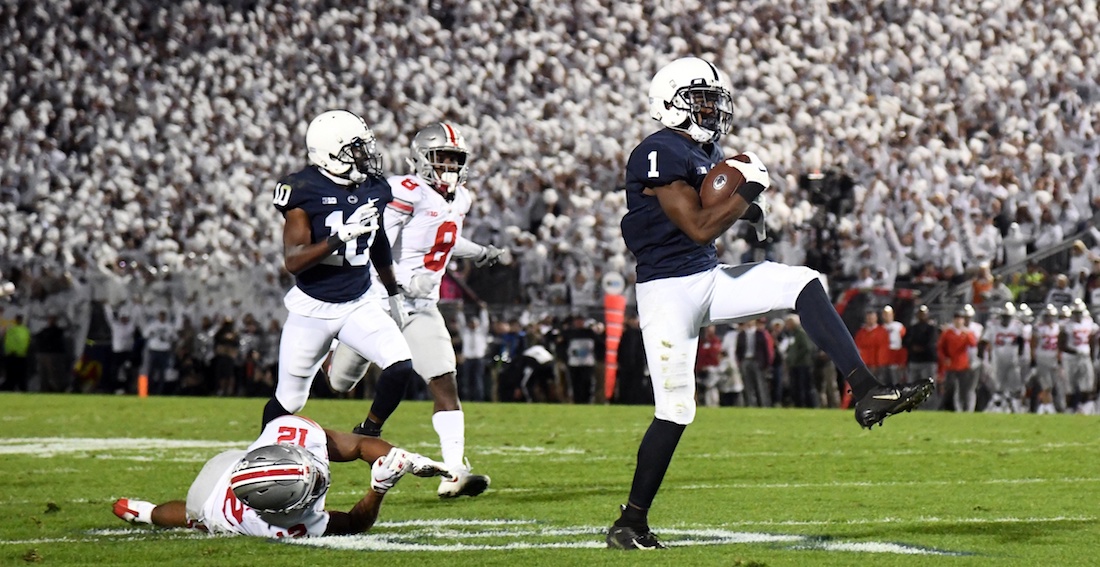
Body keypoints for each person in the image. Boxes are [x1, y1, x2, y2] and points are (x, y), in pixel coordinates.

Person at [607, 56, 932, 550]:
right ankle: (631, 522)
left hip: (706, 277)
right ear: (669, 103)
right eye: (700, 100)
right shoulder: (656, 151)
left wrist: (749, 209)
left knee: (801, 281)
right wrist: (744, 197)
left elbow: (712, 209)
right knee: (676, 410)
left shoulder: (700, 151)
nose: (711, 110)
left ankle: (865, 389)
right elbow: (696, 225)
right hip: (666, 292)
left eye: (714, 101)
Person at [325, 123, 499, 499]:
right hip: (379, 301)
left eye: (455, 159)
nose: (449, 166)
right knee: (339, 383)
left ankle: (454, 470)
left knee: (444, 381)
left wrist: (479, 251)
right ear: (422, 158)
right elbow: (376, 239)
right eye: (442, 158)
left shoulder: (461, 198)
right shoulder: (406, 190)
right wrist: (402, 281)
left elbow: (444, 238)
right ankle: (335, 348)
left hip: (421, 307)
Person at [260, 110, 417, 447]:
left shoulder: (374, 188)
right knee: (289, 401)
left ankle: (368, 431)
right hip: (311, 309)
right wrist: (337, 237)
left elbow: (377, 241)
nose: (364, 155)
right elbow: (294, 260)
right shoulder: (302, 188)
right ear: (330, 153)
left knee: (400, 364)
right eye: (354, 149)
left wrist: (392, 292)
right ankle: (259, 457)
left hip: (358, 302)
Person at [112, 414, 450, 537]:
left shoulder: (288, 433)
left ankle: (143, 511)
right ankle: (145, 513)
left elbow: (361, 444)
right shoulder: (284, 527)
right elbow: (352, 524)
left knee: (192, 516)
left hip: (237, 465)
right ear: (286, 510)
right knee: (194, 517)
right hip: (212, 500)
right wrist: (378, 489)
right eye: (314, 485)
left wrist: (401, 457)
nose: (323, 478)